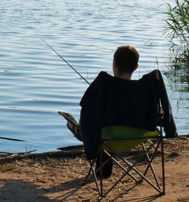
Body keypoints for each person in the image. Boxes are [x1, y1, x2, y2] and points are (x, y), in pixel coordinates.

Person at [66, 45, 177, 177]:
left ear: (114, 64)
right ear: (136, 67)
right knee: (111, 120)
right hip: (141, 135)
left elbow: (87, 114)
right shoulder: (147, 88)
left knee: (96, 123)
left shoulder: (102, 85)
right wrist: (170, 130)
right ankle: (103, 171)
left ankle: (102, 170)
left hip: (107, 139)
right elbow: (162, 113)